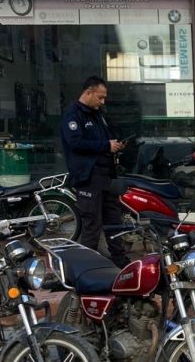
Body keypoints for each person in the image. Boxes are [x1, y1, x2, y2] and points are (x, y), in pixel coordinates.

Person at [60, 76, 129, 267]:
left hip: (106, 177)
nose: (103, 101)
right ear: (88, 93)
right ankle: (87, 268)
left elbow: (105, 141)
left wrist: (115, 145)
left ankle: (121, 264)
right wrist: (106, 145)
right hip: (88, 178)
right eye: (100, 97)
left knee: (114, 222)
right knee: (92, 226)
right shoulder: (73, 115)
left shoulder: (98, 114)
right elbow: (75, 143)